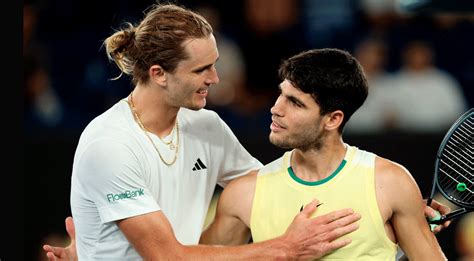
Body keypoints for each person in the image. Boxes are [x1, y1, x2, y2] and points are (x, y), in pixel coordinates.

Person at [43, 4, 452, 261]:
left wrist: (403, 209)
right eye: (202, 70)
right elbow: (166, 255)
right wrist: (286, 249)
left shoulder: (206, 125)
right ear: (159, 74)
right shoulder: (110, 145)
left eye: (215, 63)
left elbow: (279, 186)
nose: (217, 78)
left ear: (334, 117)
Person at [199, 48, 447, 260]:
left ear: (333, 119)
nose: (276, 109)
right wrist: (284, 250)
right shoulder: (244, 194)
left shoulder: (390, 183)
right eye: (281, 94)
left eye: (295, 103)